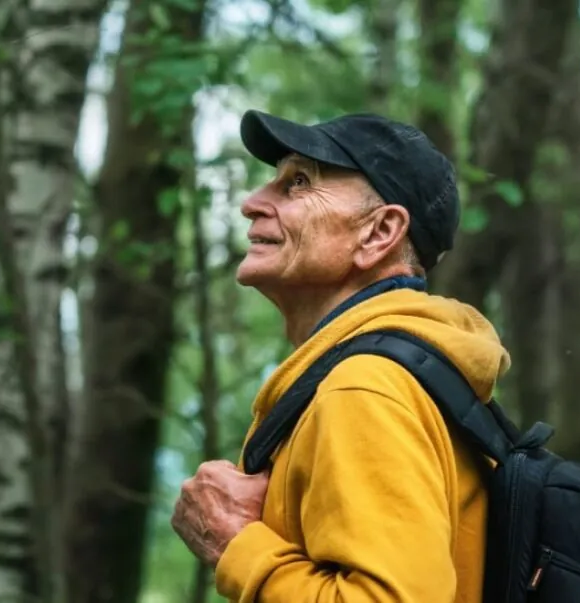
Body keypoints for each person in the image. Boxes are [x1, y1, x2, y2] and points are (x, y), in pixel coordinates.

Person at [171, 109, 511, 602]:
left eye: (299, 183)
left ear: (378, 233)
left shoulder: (366, 389)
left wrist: (236, 547)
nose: (252, 203)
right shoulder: (399, 376)